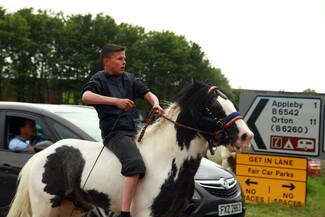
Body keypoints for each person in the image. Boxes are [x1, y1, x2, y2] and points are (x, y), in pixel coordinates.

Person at [81, 43, 164, 217]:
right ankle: (125, 213)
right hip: (115, 134)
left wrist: (155, 104)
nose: (124, 62)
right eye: (119, 59)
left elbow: (148, 93)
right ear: (106, 61)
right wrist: (116, 101)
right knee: (135, 164)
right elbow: (86, 96)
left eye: (124, 58)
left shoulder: (129, 78)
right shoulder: (99, 79)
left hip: (135, 131)